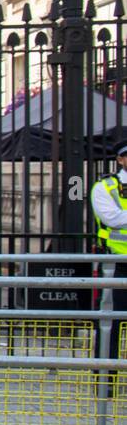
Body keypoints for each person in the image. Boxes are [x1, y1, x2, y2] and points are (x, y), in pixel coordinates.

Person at [91, 142, 127, 359]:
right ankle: (106, 384)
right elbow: (111, 218)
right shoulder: (105, 187)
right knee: (110, 325)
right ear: (120, 160)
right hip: (116, 265)